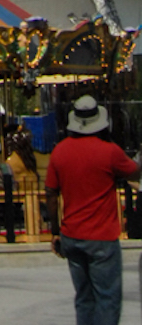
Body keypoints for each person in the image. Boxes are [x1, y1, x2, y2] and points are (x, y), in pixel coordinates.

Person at [45, 93, 139, 325]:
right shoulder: (109, 152)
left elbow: (51, 194)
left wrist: (55, 231)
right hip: (102, 238)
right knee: (107, 298)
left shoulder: (60, 151)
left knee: (84, 297)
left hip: (72, 235)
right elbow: (134, 172)